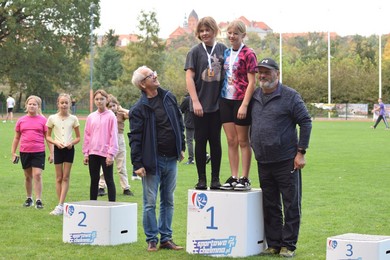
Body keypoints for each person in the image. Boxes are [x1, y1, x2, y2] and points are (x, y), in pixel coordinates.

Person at [250, 58, 312, 257]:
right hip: (263, 160)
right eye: (260, 71)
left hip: (286, 160)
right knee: (269, 204)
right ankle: (274, 243)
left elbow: (305, 122)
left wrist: (301, 152)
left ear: (277, 73)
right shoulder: (254, 95)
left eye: (267, 71)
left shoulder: (290, 96)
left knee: (291, 203)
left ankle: (289, 245)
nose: (262, 75)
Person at [128, 65, 185, 252]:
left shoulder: (169, 97)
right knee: (150, 202)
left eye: (154, 73)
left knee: (168, 200)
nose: (156, 76)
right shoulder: (139, 109)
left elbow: (178, 122)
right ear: (143, 84)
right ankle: (152, 239)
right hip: (152, 161)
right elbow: (135, 138)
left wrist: (181, 146)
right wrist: (137, 163)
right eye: (151, 75)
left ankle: (166, 238)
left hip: (171, 158)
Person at [184, 16, 227, 190]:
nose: (204, 33)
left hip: (218, 105)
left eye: (207, 30)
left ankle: (215, 179)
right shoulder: (194, 52)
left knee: (215, 142)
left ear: (214, 30)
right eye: (201, 31)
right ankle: (201, 179)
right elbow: (189, 77)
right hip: (199, 106)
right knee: (200, 141)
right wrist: (195, 101)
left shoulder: (223, 49)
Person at [219, 20, 257, 191]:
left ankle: (245, 177)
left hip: (241, 100)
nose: (232, 36)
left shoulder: (249, 54)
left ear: (243, 35)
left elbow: (252, 82)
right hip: (225, 99)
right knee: (231, 140)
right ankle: (234, 177)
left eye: (236, 33)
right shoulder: (226, 52)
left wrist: (245, 104)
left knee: (243, 140)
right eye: (230, 33)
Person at [11, 95, 54, 209]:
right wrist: (13, 152)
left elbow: (48, 138)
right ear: (26, 105)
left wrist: (52, 153)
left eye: (34, 104)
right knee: (27, 176)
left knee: (37, 175)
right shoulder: (21, 120)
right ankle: (29, 198)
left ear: (38, 106)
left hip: (38, 151)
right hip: (24, 151)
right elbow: (16, 138)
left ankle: (38, 200)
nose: (32, 106)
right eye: (30, 104)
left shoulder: (43, 120)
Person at [46, 93, 81, 215]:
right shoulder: (52, 118)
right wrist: (56, 143)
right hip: (58, 149)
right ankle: (60, 204)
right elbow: (48, 136)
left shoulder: (74, 119)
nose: (64, 105)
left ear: (70, 104)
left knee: (66, 177)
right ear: (58, 104)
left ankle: (61, 204)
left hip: (69, 150)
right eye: (62, 102)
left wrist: (71, 143)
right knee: (58, 178)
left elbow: (78, 137)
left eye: (66, 102)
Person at [83, 89, 118, 202]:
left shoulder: (111, 116)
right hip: (93, 153)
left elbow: (113, 135)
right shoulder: (91, 117)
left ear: (106, 100)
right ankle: (93, 203)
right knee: (94, 180)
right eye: (97, 99)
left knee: (109, 179)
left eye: (101, 99)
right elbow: (87, 135)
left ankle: (112, 205)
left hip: (106, 153)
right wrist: (86, 153)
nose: (99, 101)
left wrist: (111, 154)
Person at [98, 94, 134, 196]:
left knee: (121, 164)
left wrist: (121, 109)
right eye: (110, 106)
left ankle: (125, 187)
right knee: (104, 164)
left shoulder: (120, 114)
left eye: (114, 105)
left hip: (119, 138)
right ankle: (101, 186)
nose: (112, 108)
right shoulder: (104, 115)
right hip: (107, 139)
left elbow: (132, 114)